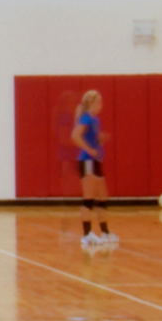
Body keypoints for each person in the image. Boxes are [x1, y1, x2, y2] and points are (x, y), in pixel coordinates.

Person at [73, 89, 112, 252]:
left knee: (103, 197)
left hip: (95, 161)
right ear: (92, 103)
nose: (101, 105)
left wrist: (99, 140)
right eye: (99, 102)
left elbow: (92, 139)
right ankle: (87, 234)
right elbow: (75, 136)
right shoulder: (86, 118)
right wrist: (90, 150)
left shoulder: (95, 120)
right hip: (87, 161)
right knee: (88, 198)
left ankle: (105, 232)